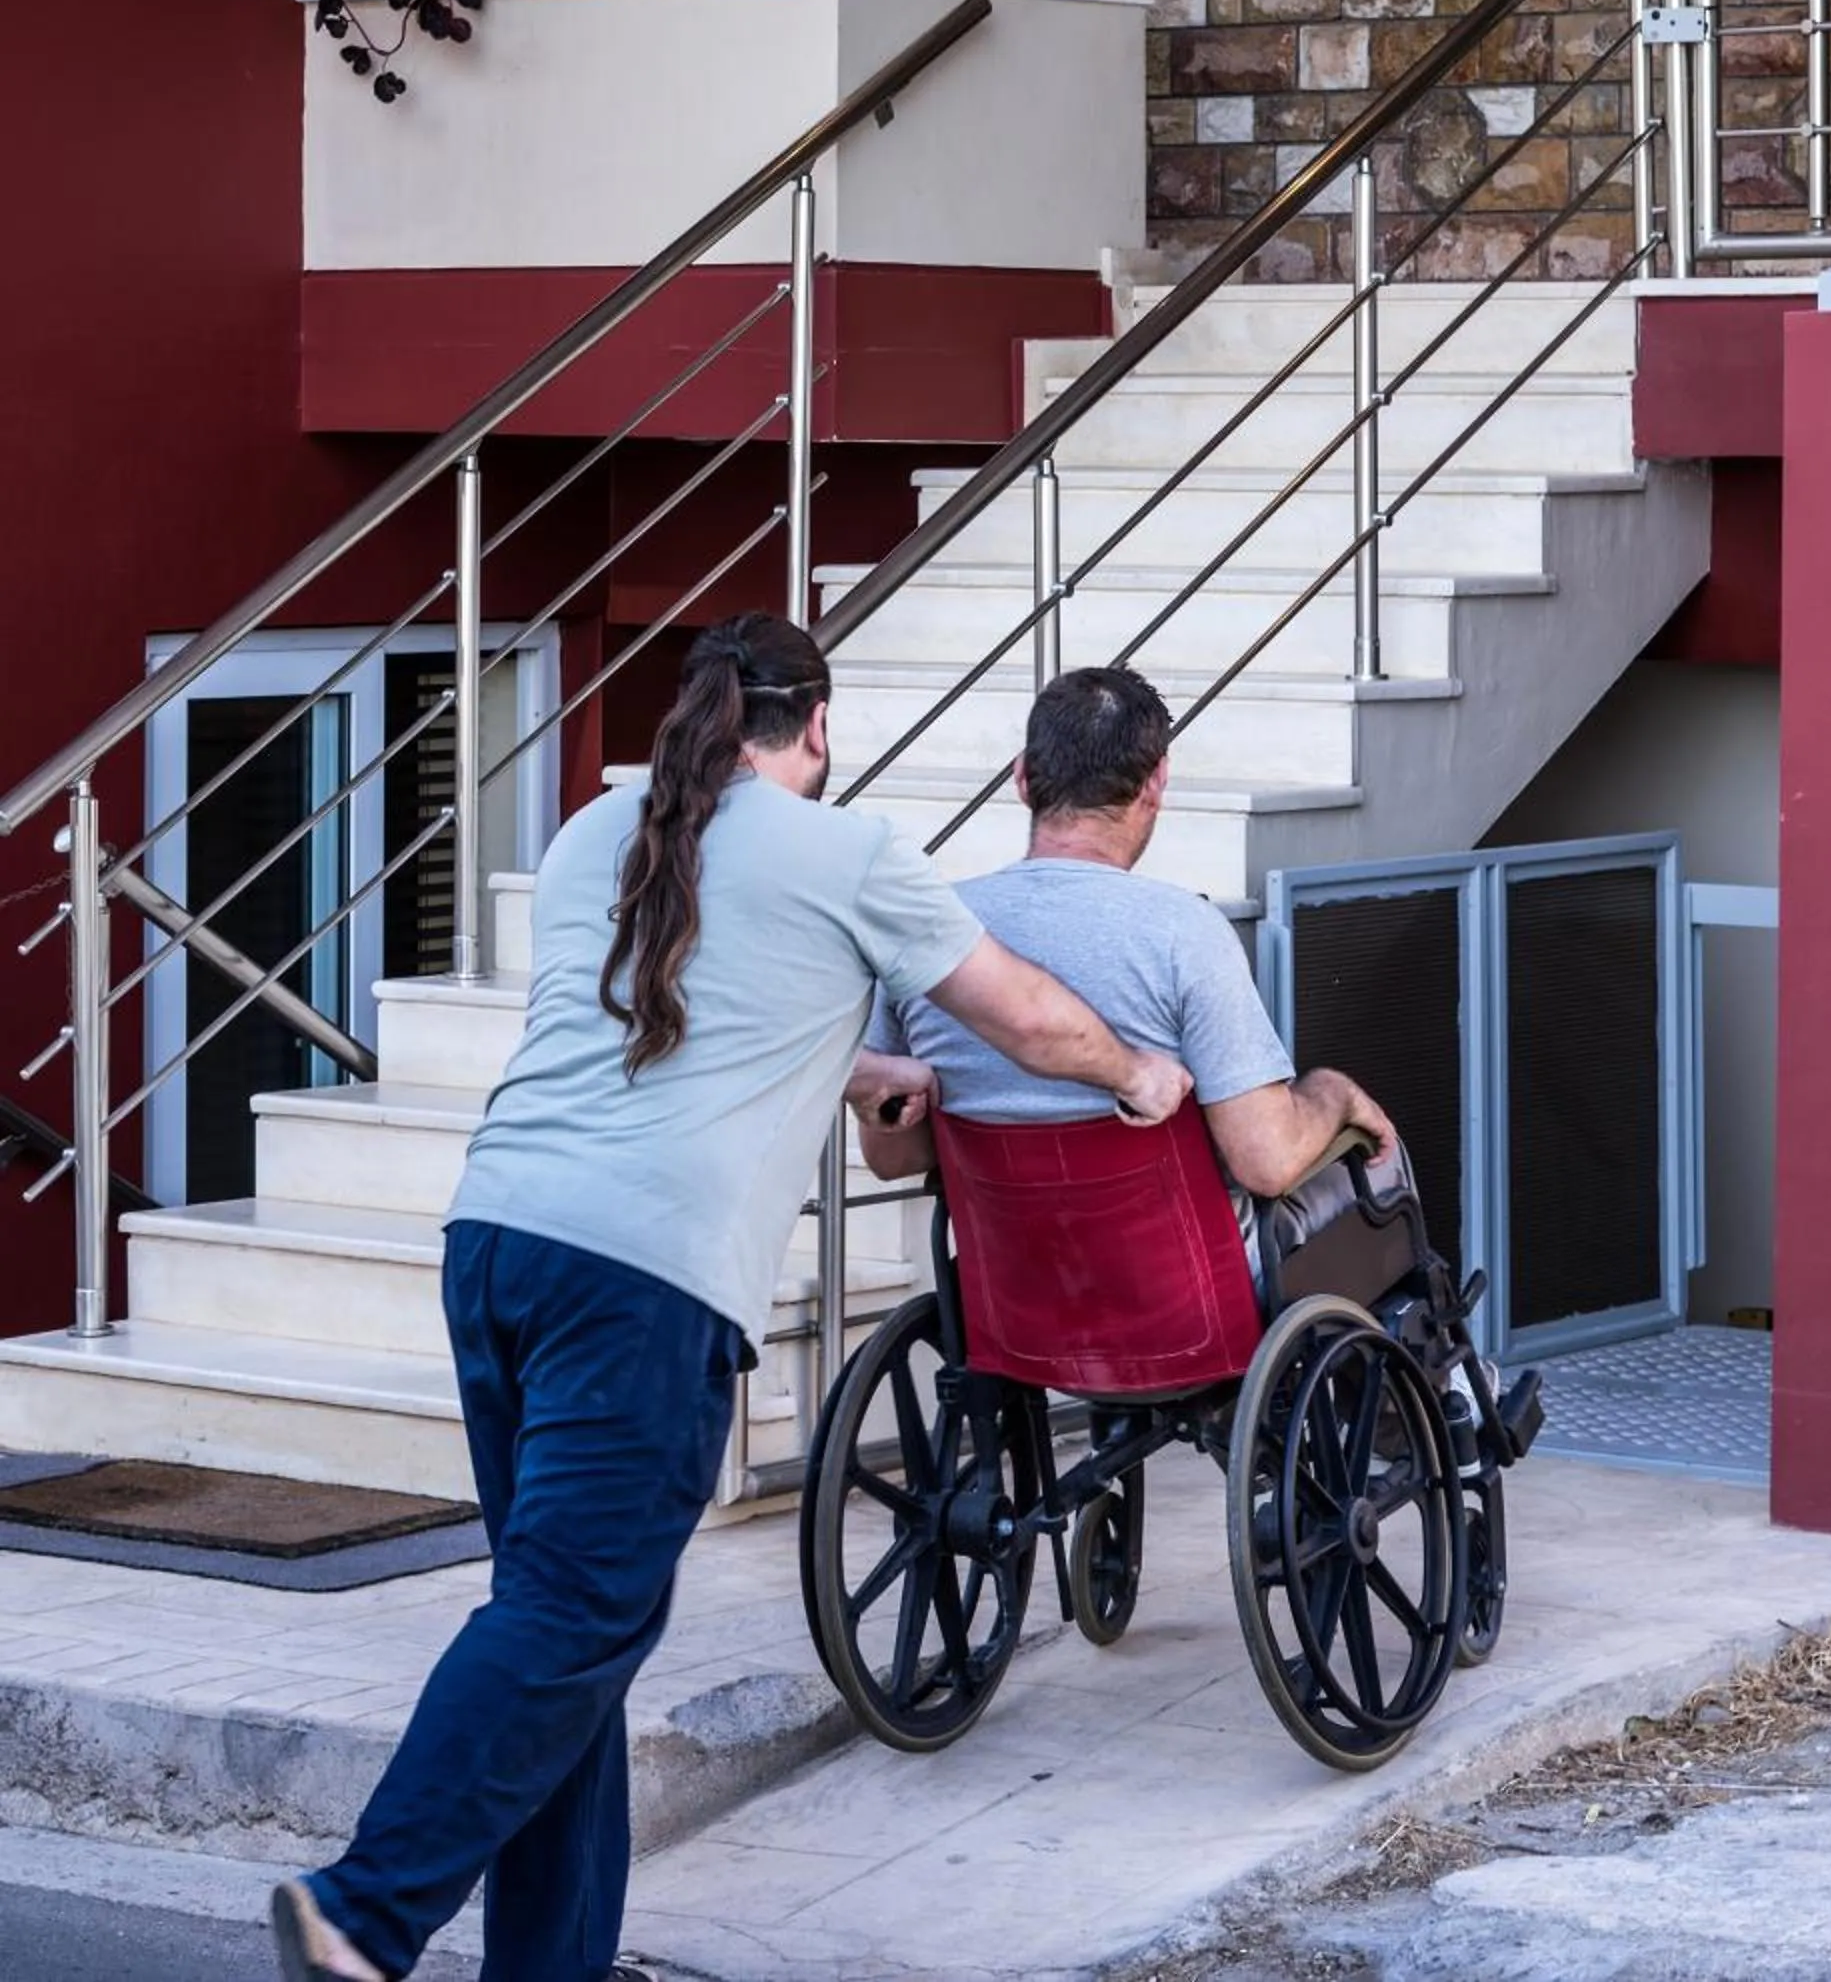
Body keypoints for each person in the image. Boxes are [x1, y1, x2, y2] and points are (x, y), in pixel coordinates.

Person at [271, 615, 1189, 1982]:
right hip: (639, 1285)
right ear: (815, 725)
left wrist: (851, 1070)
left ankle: (553, 1967)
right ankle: (366, 1909)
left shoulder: (597, 835)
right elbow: (1024, 1016)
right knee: (572, 1618)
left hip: (499, 1242)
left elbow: (681, 1027)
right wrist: (1132, 1074)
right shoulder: (849, 851)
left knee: (573, 1634)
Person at [859, 664, 1394, 1205]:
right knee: (1381, 1181)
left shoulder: (928, 929)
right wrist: (1335, 1093)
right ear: (1156, 783)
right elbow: (1265, 1161)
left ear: (1021, 779)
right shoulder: (1186, 934)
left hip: (1007, 1277)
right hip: (1185, 1278)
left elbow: (890, 1155)